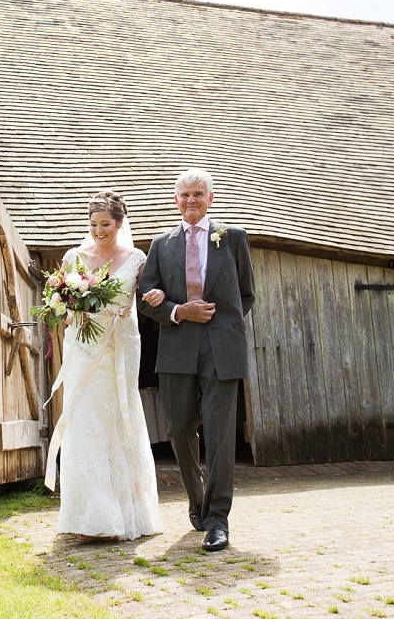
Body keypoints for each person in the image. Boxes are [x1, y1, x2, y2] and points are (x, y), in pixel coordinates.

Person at [137, 168, 256, 551]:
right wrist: (177, 311)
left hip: (222, 348)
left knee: (220, 435)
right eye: (185, 194)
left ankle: (218, 519)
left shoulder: (232, 238)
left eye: (199, 194)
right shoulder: (161, 243)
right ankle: (197, 500)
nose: (192, 200)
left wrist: (221, 327)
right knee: (179, 429)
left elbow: (246, 296)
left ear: (211, 198)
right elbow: (148, 295)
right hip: (176, 347)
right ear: (176, 200)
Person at [44, 190, 163, 542]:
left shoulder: (137, 258)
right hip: (84, 349)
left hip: (121, 347)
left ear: (119, 223)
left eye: (105, 224)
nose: (98, 231)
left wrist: (155, 297)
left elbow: (154, 294)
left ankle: (129, 512)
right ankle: (92, 517)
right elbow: (56, 303)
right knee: (86, 423)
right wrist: (69, 315)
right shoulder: (74, 257)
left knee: (120, 420)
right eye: (93, 224)